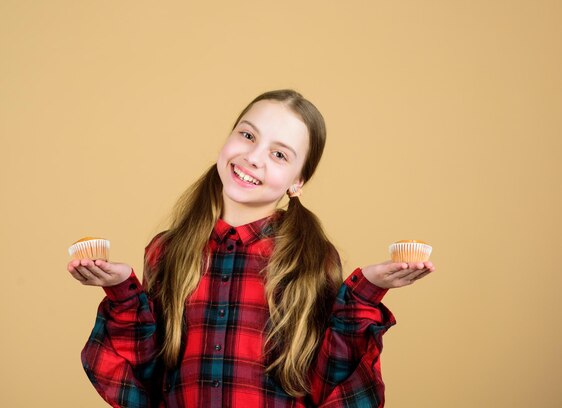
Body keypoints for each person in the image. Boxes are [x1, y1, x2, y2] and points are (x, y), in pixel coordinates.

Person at [67, 89, 435, 407]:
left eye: (279, 155)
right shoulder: (167, 251)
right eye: (247, 135)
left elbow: (328, 381)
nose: (254, 157)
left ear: (298, 181)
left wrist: (365, 295)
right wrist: (120, 293)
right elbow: (147, 380)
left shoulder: (311, 261)